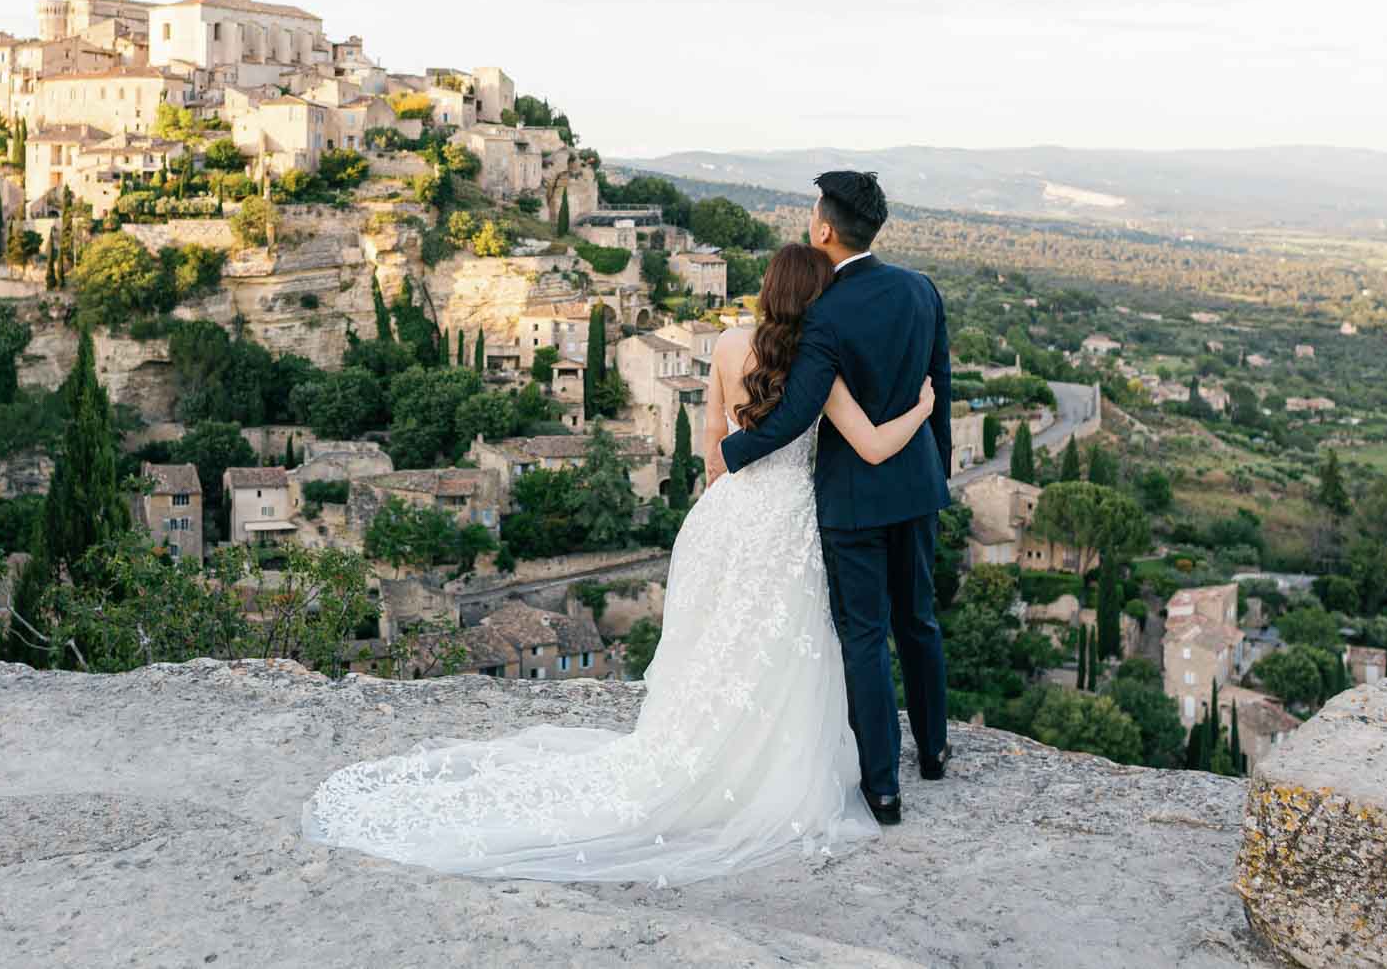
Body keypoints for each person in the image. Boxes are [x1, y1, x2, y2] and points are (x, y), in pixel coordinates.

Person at [301, 242, 934, 884]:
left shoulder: (723, 346)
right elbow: (875, 446)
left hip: (729, 515)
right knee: (779, 644)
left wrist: (724, 502)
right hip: (788, 519)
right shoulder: (820, 365)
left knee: (715, 643)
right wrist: (923, 409)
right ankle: (760, 764)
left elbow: (713, 441)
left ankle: (699, 750)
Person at [716, 170, 954, 827]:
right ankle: (933, 751)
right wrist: (941, 472)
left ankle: (883, 788)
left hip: (854, 501)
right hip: (918, 487)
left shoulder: (824, 315)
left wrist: (732, 453)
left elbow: (796, 411)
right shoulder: (921, 290)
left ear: (824, 228)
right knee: (920, 621)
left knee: (865, 637)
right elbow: (942, 394)